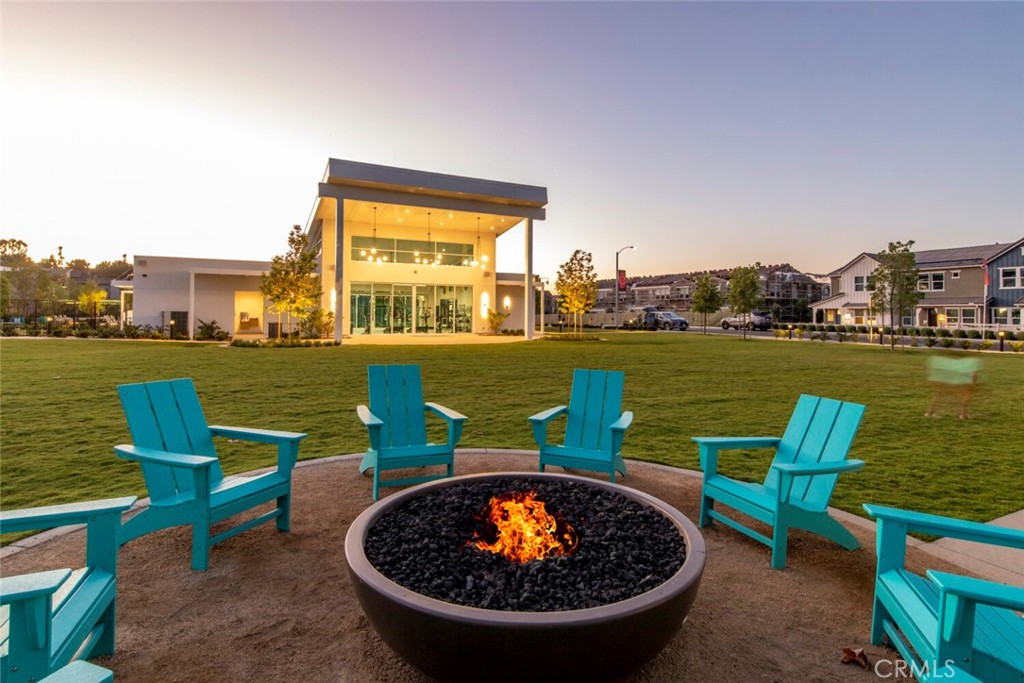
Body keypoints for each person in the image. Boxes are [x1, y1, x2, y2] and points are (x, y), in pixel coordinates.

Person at [925, 354, 981, 420]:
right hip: (963, 381)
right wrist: (973, 384)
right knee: (966, 396)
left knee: (938, 394)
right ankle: (963, 414)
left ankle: (930, 412)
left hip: (947, 379)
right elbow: (974, 375)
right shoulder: (973, 362)